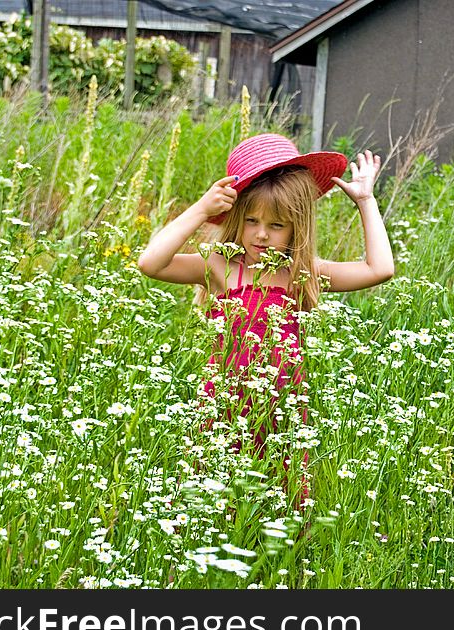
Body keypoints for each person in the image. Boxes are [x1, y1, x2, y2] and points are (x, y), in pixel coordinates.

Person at [137, 133, 394, 506]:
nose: (261, 234)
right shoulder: (218, 265)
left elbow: (379, 269)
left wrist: (366, 202)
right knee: (210, 501)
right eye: (252, 220)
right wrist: (201, 210)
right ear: (236, 218)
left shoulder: (302, 273)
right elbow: (150, 263)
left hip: (281, 411)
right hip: (223, 405)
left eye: (277, 225)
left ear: (296, 227)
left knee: (279, 505)